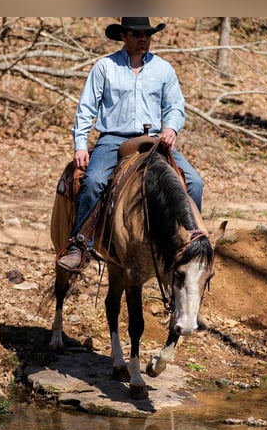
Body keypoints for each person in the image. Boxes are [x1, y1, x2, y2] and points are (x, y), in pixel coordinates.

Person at [57, 17, 204, 272]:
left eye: (147, 34)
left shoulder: (163, 69)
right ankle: (81, 245)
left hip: (154, 140)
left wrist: (170, 128)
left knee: (194, 182)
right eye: (137, 34)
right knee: (93, 182)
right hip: (114, 138)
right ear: (123, 36)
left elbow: (175, 106)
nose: (143, 39)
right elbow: (86, 108)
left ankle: (191, 243)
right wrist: (80, 144)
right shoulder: (105, 67)